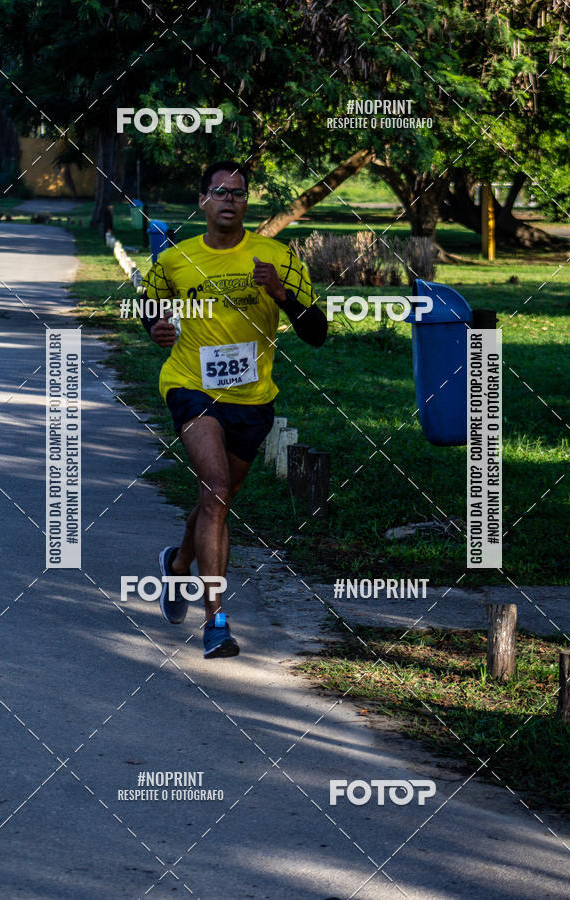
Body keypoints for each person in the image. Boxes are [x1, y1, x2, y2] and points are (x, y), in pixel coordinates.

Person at [142, 160, 327, 658]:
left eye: (238, 193)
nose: (229, 200)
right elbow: (151, 308)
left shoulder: (277, 257)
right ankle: (216, 623)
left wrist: (281, 294)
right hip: (191, 387)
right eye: (220, 192)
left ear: (247, 201)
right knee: (217, 489)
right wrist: (157, 329)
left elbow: (317, 332)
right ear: (203, 200)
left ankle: (178, 564)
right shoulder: (175, 259)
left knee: (218, 500)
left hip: (252, 398)